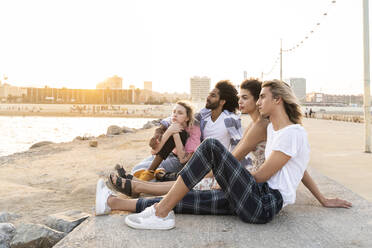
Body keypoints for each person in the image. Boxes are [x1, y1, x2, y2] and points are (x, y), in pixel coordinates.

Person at [96, 79, 351, 228]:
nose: (259, 102)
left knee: (211, 148)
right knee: (189, 199)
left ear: (278, 100)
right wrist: (323, 199)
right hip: (255, 197)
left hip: (263, 204)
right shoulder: (276, 130)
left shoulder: (292, 133)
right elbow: (299, 167)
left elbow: (261, 177)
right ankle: (113, 203)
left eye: (262, 97)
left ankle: (160, 213)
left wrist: (227, 176)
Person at [130, 80, 250, 181]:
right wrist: (159, 132)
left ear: (222, 101)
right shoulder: (204, 114)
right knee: (137, 168)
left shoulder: (230, 119)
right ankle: (156, 176)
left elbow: (240, 146)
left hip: (201, 163)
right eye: (209, 94)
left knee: (140, 171)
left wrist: (241, 172)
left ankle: (155, 177)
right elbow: (177, 119)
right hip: (180, 155)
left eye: (213, 96)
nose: (208, 97)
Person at [115, 101, 201, 185]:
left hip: (178, 162)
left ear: (187, 118)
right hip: (169, 156)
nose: (175, 114)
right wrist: (169, 131)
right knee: (137, 167)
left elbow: (183, 160)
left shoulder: (194, 131)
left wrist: (175, 134)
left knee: (144, 168)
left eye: (180, 113)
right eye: (174, 111)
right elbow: (154, 152)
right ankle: (133, 179)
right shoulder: (172, 124)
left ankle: (139, 181)